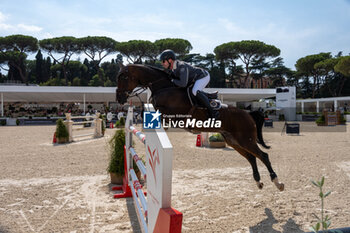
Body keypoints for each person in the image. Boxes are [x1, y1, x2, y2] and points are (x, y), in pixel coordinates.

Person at [159, 49, 219, 119]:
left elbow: (183, 84)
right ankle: (209, 96)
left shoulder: (181, 66)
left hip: (203, 76)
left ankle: (213, 113)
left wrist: (172, 80)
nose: (162, 63)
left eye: (163, 61)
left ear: (170, 60)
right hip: (194, 79)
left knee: (194, 91)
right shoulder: (173, 69)